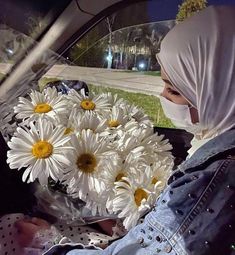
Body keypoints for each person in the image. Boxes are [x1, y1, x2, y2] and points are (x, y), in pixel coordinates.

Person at [15, 5, 235, 255]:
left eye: (173, 90)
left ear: (221, 92)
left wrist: (46, 243)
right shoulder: (215, 148)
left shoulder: (212, 180)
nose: (161, 96)